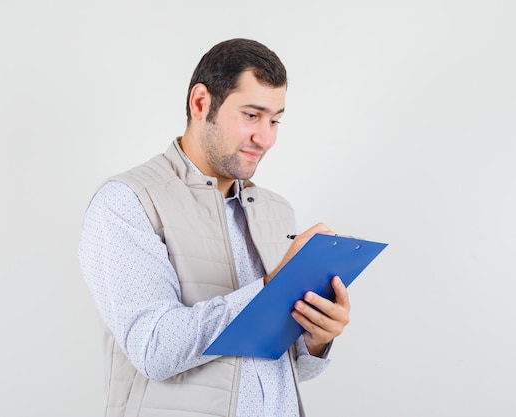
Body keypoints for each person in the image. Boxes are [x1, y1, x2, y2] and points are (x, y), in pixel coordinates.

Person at [79, 38, 351, 417]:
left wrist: (316, 338)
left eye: (274, 120)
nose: (267, 138)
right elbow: (153, 348)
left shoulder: (277, 211)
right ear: (201, 103)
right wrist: (269, 291)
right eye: (252, 116)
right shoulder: (128, 201)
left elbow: (283, 367)